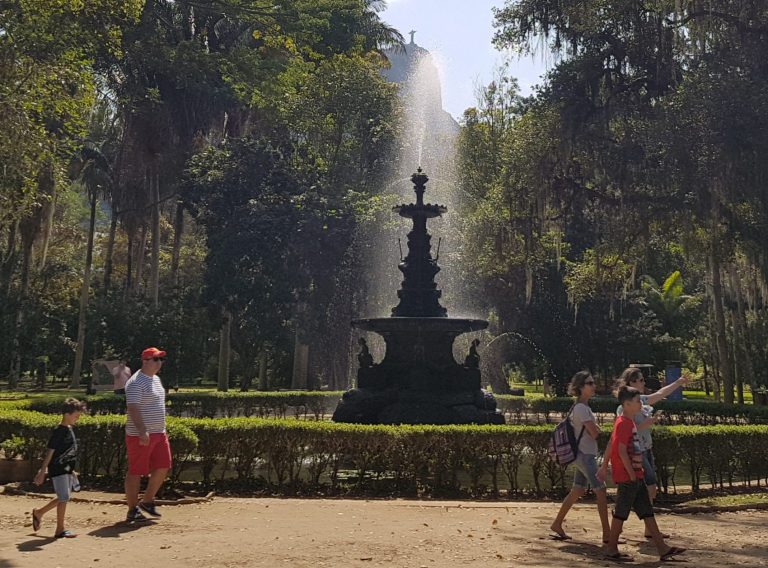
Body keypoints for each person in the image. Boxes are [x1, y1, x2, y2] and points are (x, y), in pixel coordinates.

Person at [604, 385, 685, 561]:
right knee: (621, 513)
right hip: (629, 477)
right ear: (626, 404)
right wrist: (631, 474)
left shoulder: (629, 421)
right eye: (636, 401)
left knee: (646, 511)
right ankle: (611, 548)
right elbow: (621, 450)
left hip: (635, 475)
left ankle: (662, 548)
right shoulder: (624, 423)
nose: (640, 404)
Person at [599, 367, 689, 515]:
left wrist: (678, 382)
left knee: (647, 488)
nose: (643, 382)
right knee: (650, 486)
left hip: (646, 448)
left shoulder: (641, 400)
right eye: (640, 380)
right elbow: (622, 432)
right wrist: (644, 425)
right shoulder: (624, 407)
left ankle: (646, 524)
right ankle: (630, 516)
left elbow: (660, 394)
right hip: (637, 451)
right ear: (631, 383)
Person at [549, 371, 612, 545]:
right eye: (590, 383)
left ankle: (557, 523)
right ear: (580, 387)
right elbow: (594, 433)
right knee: (601, 490)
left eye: (593, 382)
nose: (593, 386)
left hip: (582, 455)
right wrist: (599, 430)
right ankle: (607, 534)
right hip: (585, 456)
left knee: (578, 490)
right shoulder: (582, 409)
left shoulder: (580, 407)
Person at [124, 347, 172, 523]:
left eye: (161, 360)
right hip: (140, 435)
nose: (160, 363)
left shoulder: (156, 379)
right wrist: (142, 430)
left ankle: (147, 500)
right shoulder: (135, 382)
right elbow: (133, 408)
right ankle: (132, 510)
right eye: (156, 359)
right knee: (136, 471)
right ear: (145, 361)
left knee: (163, 466)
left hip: (159, 433)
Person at [31, 398, 87, 538]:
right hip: (58, 469)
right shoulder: (59, 431)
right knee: (64, 498)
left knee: (64, 497)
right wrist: (43, 471)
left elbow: (67, 452)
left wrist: (71, 469)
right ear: (67, 414)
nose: (78, 419)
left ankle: (39, 513)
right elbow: (50, 452)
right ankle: (59, 529)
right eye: (76, 416)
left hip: (66, 469)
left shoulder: (69, 429)